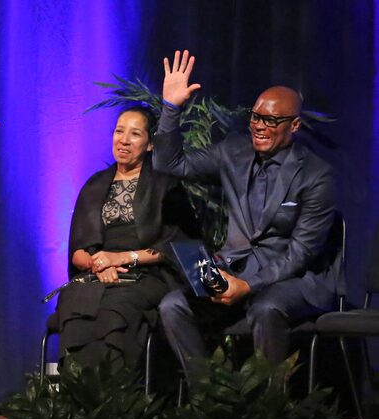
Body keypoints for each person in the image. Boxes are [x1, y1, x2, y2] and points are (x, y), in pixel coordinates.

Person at [154, 50, 339, 379]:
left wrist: (247, 285)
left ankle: (266, 409)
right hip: (233, 269)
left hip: (291, 279)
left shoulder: (315, 175)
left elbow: (302, 252)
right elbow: (170, 164)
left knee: (267, 307)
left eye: (271, 120)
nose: (259, 126)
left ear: (294, 125)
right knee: (173, 305)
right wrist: (171, 109)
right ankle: (209, 400)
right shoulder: (233, 150)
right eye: (255, 117)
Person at [57, 106, 195, 368]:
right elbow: (77, 252)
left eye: (135, 134)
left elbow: (176, 246)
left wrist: (122, 258)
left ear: (151, 144)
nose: (124, 140)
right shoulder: (95, 185)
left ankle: (119, 399)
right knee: (75, 301)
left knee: (115, 308)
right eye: (119, 131)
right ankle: (77, 398)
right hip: (99, 273)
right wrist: (99, 265)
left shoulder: (166, 185)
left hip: (149, 274)